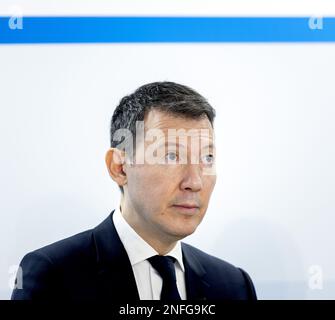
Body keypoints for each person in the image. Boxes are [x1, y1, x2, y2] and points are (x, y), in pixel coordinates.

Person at [11, 81, 257, 301]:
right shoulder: (53, 276)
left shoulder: (234, 286)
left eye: (207, 157)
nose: (195, 181)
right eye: (171, 156)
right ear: (119, 167)